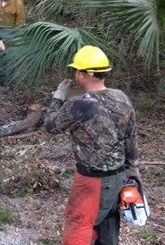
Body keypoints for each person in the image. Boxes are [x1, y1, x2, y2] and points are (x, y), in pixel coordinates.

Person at [44, 46, 140, 245]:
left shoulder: (79, 104)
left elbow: (51, 126)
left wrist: (58, 97)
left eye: (77, 70)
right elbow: (131, 134)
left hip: (92, 180)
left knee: (78, 226)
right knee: (107, 223)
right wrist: (133, 168)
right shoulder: (121, 97)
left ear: (83, 74)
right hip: (118, 175)